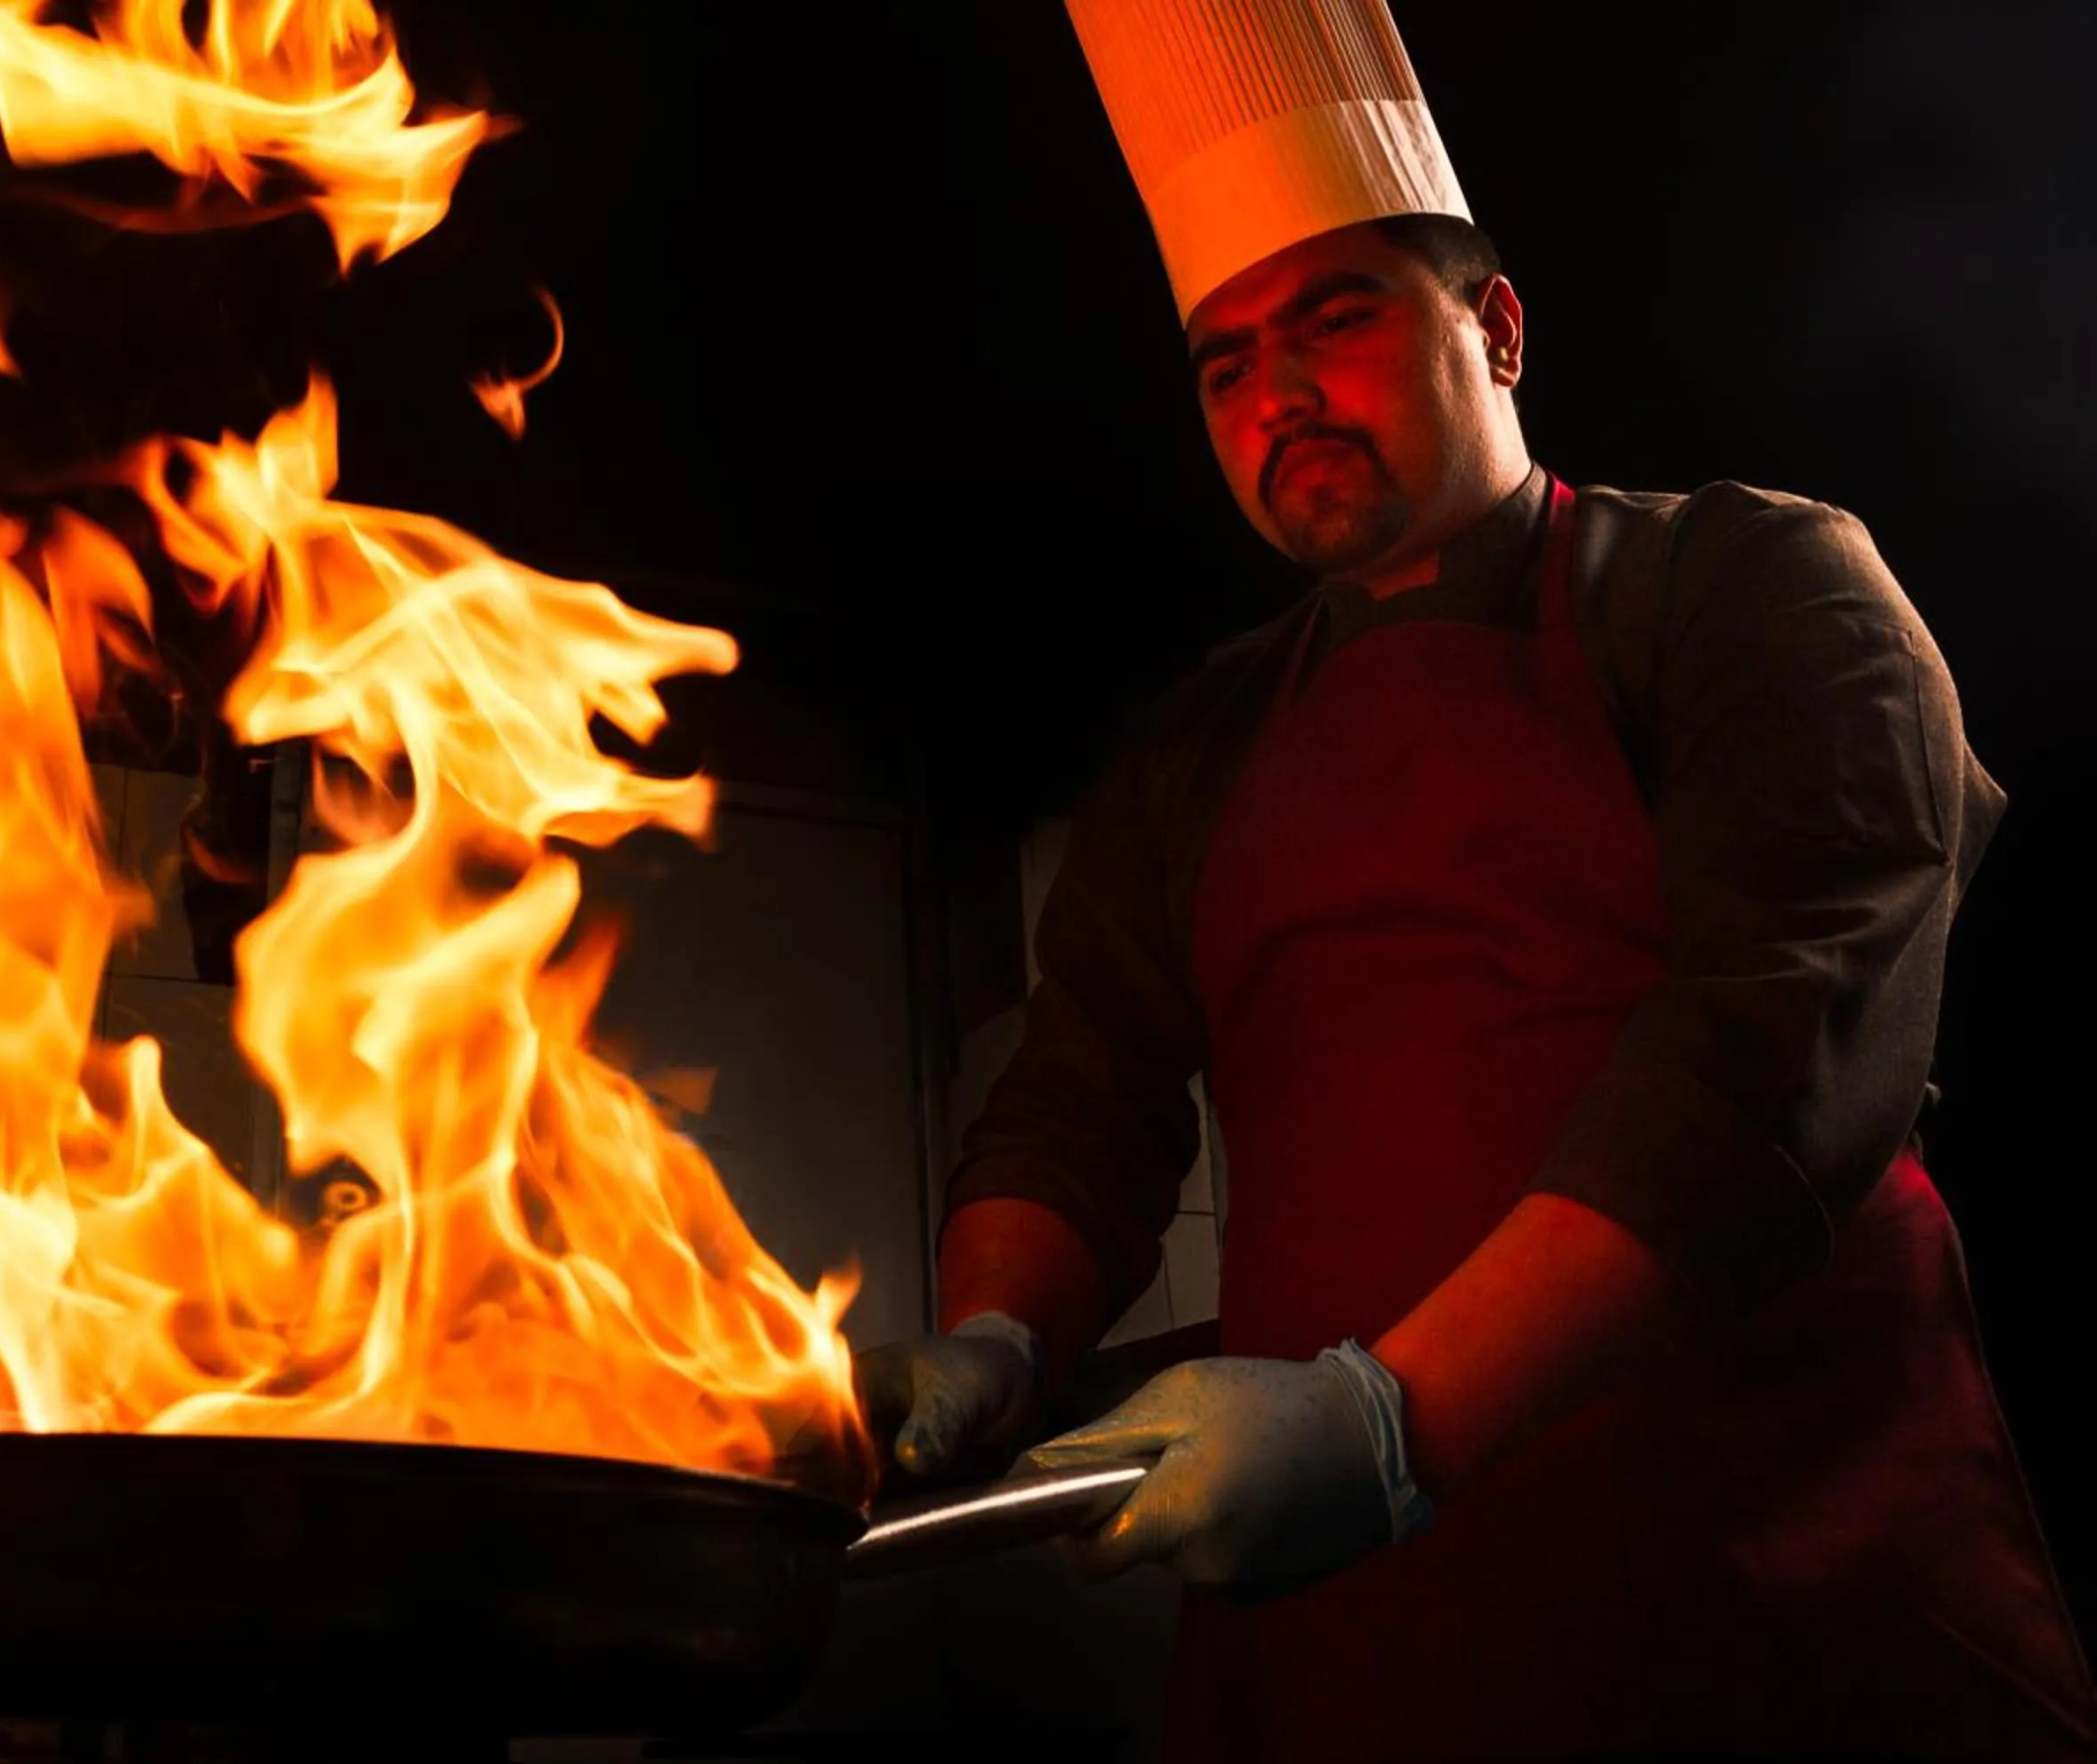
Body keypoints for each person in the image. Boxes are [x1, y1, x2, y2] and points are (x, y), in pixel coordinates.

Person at [854, 1, 2097, 1756]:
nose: (1277, 393)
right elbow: (1077, 1104)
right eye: (1224, 361)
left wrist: (1391, 1422)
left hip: (1780, 1590)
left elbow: (1777, 1054)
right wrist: (991, 1335)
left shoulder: (1755, 588)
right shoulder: (1193, 754)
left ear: (1495, 328)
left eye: (1337, 318)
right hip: (1352, 1649)